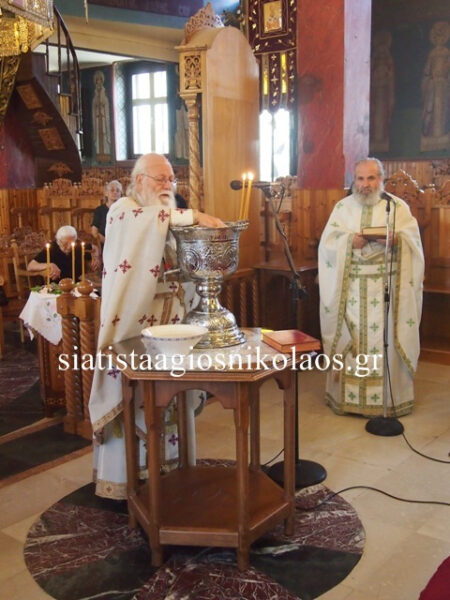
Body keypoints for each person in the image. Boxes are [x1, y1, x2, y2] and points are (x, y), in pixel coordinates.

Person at [89, 153, 224, 499]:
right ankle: (127, 484)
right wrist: (194, 215)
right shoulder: (123, 210)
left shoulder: (168, 216)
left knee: (173, 401)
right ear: (139, 181)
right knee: (135, 401)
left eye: (171, 179)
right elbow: (144, 223)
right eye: (160, 178)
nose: (168, 186)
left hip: (174, 328)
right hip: (133, 330)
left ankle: (176, 476)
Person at [318, 157, 424, 417]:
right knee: (351, 341)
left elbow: (413, 243)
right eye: (360, 179)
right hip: (351, 291)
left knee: (386, 341)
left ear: (381, 179)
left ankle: (387, 400)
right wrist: (349, 241)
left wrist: (396, 240)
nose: (365, 184)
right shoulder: (342, 208)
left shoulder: (396, 207)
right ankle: (349, 400)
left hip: (388, 291)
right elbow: (327, 245)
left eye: (371, 178)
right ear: (354, 180)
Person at [91, 180, 123, 245]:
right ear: (106, 193)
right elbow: (94, 232)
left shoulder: (124, 209)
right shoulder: (99, 210)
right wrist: (108, 243)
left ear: (121, 194)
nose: (115, 192)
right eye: (112, 190)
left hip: (121, 244)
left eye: (118, 191)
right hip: (104, 243)